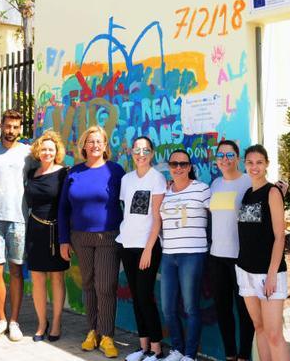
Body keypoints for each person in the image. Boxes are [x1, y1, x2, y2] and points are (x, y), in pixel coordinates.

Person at [58, 125, 126, 358]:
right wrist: (64, 240)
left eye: (100, 141)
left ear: (105, 145)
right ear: (84, 146)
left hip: (108, 236)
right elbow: (63, 208)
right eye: (91, 141)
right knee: (88, 284)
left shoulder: (115, 171)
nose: (95, 145)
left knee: (105, 286)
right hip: (80, 237)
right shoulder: (74, 173)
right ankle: (92, 331)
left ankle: (107, 335)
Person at [0, 109, 36, 341]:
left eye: (15, 127)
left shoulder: (28, 152)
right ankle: (1, 319)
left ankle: (14, 321)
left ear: (20, 128)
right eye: (8, 126)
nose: (11, 130)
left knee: (15, 270)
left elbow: (48, 168)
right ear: (1, 126)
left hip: (19, 218)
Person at [237, 145, 290, 361]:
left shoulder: (273, 192)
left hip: (268, 273)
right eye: (250, 162)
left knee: (274, 334)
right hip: (245, 270)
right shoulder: (248, 194)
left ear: (266, 164)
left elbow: (280, 236)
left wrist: (271, 274)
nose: (254, 167)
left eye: (259, 162)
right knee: (259, 328)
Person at [159, 149, 211, 361]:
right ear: (169, 167)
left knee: (190, 307)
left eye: (183, 164)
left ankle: (190, 354)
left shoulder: (202, 189)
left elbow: (220, 215)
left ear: (190, 167)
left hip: (193, 255)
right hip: (168, 255)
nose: (178, 168)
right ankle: (177, 350)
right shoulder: (165, 192)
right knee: (168, 308)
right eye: (174, 164)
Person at [117, 136, 165, 361]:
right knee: (137, 297)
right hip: (127, 244)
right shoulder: (126, 180)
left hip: (148, 247)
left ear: (152, 153)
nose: (141, 154)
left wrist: (148, 249)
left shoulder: (157, 179)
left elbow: (156, 218)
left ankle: (157, 349)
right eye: (137, 150)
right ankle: (143, 347)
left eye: (145, 150)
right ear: (132, 153)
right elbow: (127, 212)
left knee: (146, 297)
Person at [208, 140, 255, 361]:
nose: (224, 160)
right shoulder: (215, 184)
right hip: (217, 257)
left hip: (241, 258)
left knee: (244, 311)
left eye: (229, 155)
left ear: (237, 158)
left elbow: (255, 219)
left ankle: (245, 355)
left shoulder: (247, 182)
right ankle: (230, 355)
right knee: (223, 309)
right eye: (220, 155)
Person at [24, 130, 69, 342]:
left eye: (51, 149)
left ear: (57, 151)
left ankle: (57, 322)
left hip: (56, 231)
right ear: (38, 151)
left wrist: (66, 238)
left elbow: (68, 205)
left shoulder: (64, 173)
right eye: (43, 149)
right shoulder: (31, 173)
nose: (47, 152)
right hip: (35, 230)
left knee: (57, 278)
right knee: (37, 279)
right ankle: (42, 323)